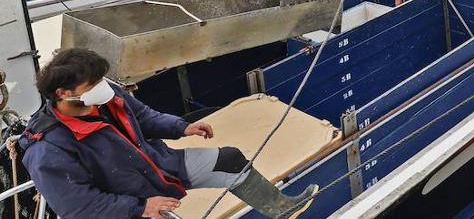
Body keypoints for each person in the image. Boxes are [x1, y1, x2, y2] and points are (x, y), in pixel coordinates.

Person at [20, 48, 316, 219]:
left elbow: (144, 116)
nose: (102, 87)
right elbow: (80, 208)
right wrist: (141, 207)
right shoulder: (47, 149)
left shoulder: (105, 96)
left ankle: (281, 208)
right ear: (63, 93)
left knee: (229, 160)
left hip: (156, 165)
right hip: (125, 202)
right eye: (92, 83)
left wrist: (181, 127)